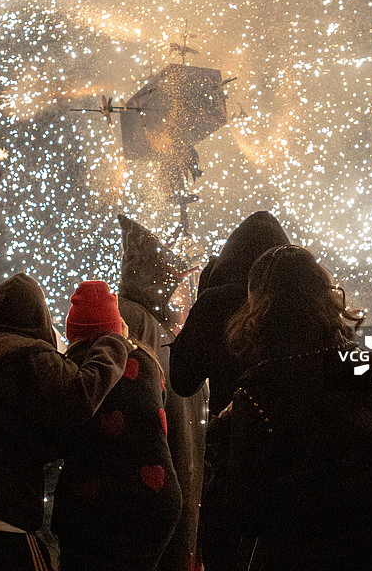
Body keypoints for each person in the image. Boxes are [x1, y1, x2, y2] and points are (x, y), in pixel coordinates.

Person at [202, 246, 372, 571]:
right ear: (327, 299)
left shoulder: (260, 387)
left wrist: (222, 434)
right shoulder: (368, 364)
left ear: (259, 308)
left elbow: (243, 511)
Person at [0, 272, 130, 571]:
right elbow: (80, 396)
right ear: (39, 317)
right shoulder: (35, 359)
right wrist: (112, 343)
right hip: (7, 526)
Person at [52, 280, 182, 571]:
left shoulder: (76, 370)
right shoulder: (148, 363)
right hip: (158, 501)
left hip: (96, 507)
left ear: (75, 333)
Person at [117, 213, 207, 571]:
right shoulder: (142, 322)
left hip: (165, 493)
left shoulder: (151, 324)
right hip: (161, 495)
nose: (183, 294)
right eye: (177, 283)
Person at [170, 211, 290, 416]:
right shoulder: (297, 299)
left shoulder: (216, 302)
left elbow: (183, 381)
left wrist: (205, 295)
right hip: (302, 436)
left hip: (234, 433)